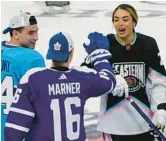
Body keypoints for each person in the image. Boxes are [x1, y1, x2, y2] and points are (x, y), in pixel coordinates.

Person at [4, 32, 116, 141]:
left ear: (50, 53)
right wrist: (100, 58)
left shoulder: (33, 79)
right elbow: (109, 80)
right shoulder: (81, 77)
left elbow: (15, 130)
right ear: (71, 53)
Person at [83, 4, 166, 141]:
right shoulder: (105, 44)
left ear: (134, 22)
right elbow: (86, 76)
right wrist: (108, 80)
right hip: (113, 122)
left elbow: (159, 81)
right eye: (116, 20)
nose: (120, 24)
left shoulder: (148, 44)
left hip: (144, 122)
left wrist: (160, 110)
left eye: (125, 19)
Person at [1, 11, 46, 141]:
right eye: (30, 33)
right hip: (19, 132)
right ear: (15, 34)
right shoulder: (32, 59)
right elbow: (43, 101)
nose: (36, 37)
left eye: (37, 32)